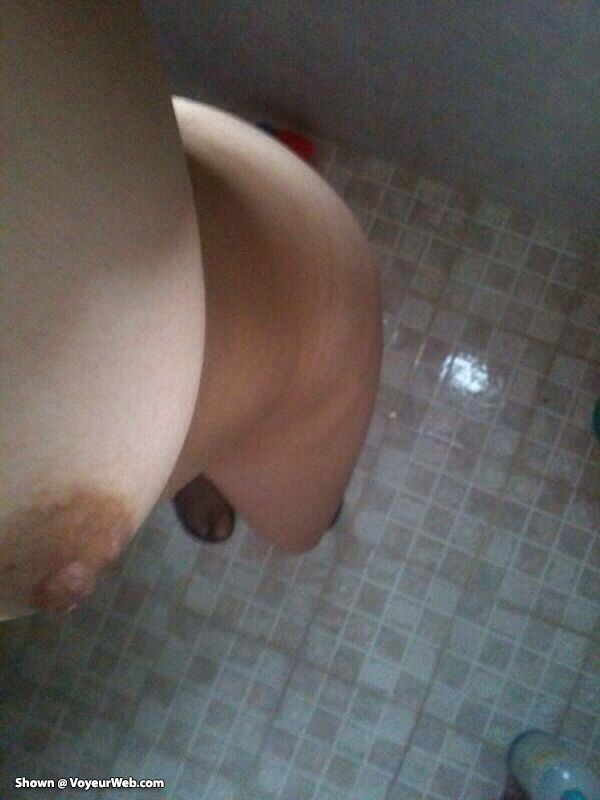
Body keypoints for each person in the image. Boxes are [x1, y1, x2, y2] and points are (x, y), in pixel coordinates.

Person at [1, 2, 381, 619]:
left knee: (298, 526)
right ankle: (195, 455)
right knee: (245, 469)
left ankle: (214, 450)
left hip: (285, 289)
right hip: (219, 212)